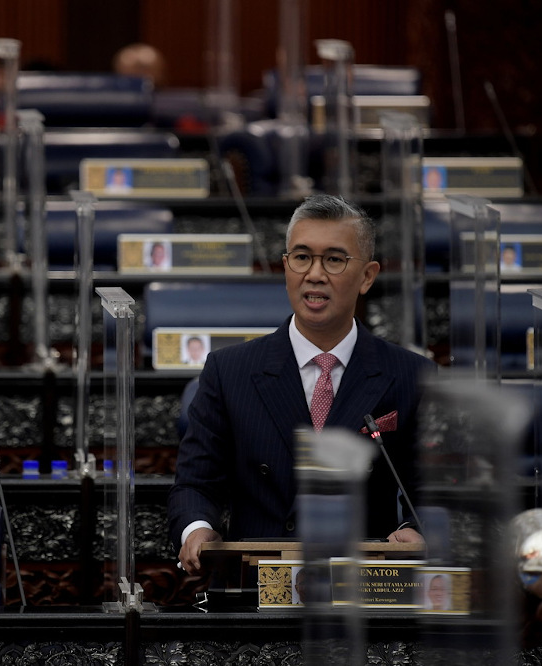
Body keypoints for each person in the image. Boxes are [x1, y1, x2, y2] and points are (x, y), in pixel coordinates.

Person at [168, 194, 436, 576]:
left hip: (365, 589)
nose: (314, 274)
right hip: (254, 586)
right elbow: (195, 484)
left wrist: (415, 529)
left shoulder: (411, 375)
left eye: (334, 259)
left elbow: (428, 490)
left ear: (367, 276)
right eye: (302, 257)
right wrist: (197, 530)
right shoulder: (230, 371)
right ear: (285, 266)